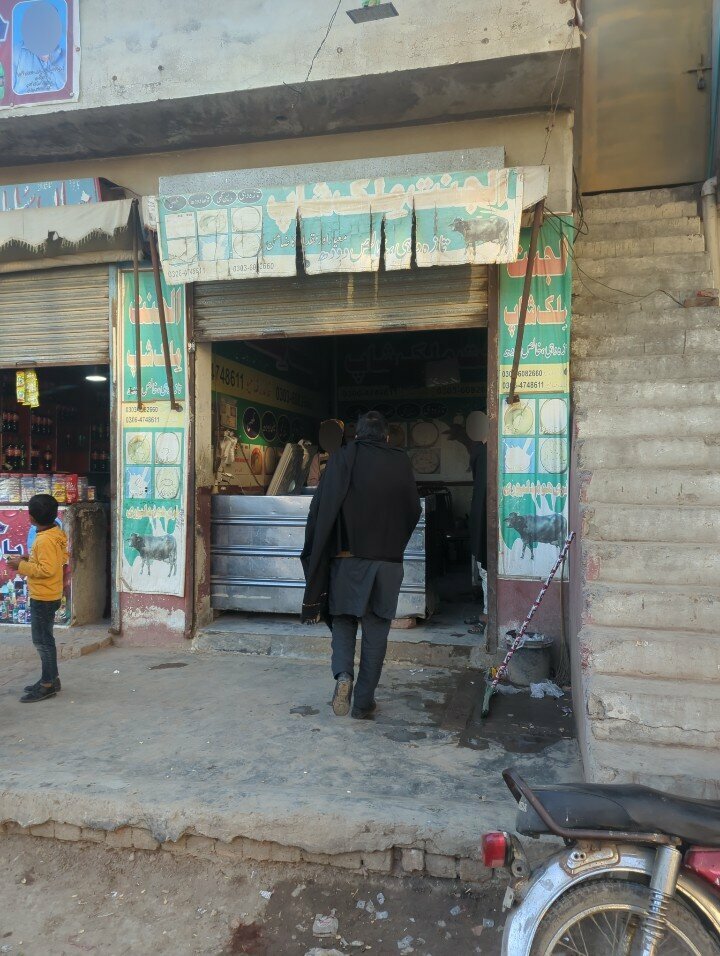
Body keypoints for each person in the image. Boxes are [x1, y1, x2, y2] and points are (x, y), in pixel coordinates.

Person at [301, 411, 421, 719]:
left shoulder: (341, 459)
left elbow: (321, 508)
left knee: (342, 622)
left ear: (356, 435)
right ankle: (364, 702)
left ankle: (344, 677)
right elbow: (413, 509)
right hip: (387, 564)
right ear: (386, 436)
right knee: (377, 629)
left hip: (347, 562)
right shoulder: (400, 461)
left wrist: (319, 552)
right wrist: (393, 544)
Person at [5, 494, 68, 702]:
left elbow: (47, 569)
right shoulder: (54, 533)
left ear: (31, 517)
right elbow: (54, 561)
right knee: (45, 639)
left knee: (42, 642)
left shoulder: (44, 540)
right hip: (50, 593)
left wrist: (20, 566)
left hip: (44, 595)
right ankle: (50, 678)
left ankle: (47, 684)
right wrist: (27, 559)